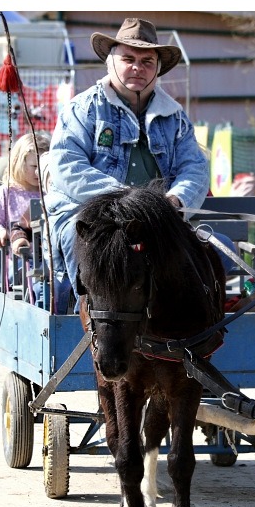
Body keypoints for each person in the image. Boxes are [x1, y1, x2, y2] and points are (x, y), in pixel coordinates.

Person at [45, 17, 210, 304]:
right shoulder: (82, 109)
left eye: (147, 61)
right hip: (91, 216)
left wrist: (176, 201)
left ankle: (182, 332)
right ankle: (88, 320)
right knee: (83, 243)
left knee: (210, 256)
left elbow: (194, 168)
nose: (138, 67)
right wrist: (122, 200)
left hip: (158, 216)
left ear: (158, 69)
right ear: (110, 63)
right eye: (128, 58)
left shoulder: (175, 116)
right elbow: (67, 167)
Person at [0, 132, 50, 249]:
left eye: (43, 166)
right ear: (20, 163)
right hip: (18, 258)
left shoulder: (49, 192)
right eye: (34, 166)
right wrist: (0, 233)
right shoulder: (7, 192)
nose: (39, 171)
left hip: (48, 258)